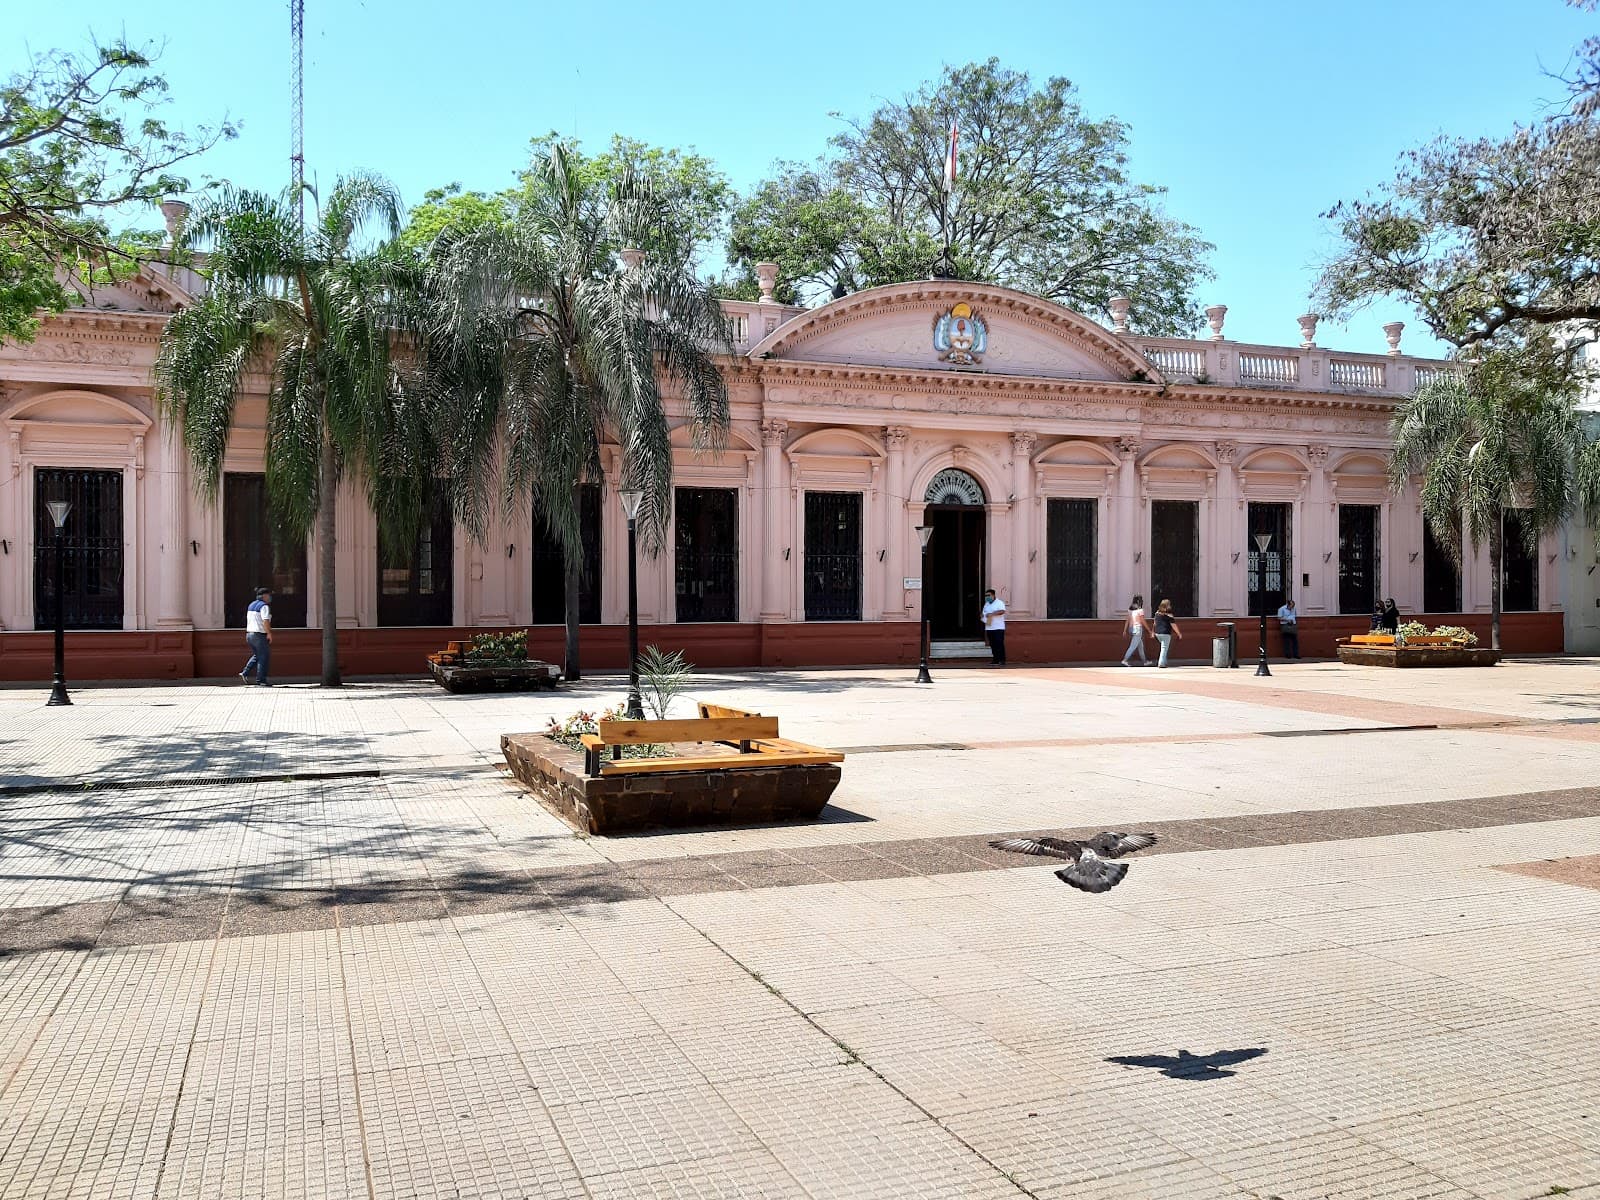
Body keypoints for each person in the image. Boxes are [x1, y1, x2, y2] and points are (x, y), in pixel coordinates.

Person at [241, 587, 273, 687]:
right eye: (269, 595)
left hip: (249, 634)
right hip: (259, 634)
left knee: (257, 655)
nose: (270, 597)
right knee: (263, 657)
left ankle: (245, 672)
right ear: (264, 596)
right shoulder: (264, 606)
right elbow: (265, 620)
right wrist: (269, 633)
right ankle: (261, 680)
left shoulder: (251, 605)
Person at [1152, 599, 1183, 668]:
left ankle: (1164, 662)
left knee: (1163, 648)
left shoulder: (1157, 613)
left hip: (1157, 634)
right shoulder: (1170, 616)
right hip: (1165, 633)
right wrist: (1179, 633)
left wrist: (1153, 632)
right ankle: (1161, 663)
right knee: (1164, 648)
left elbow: (1154, 623)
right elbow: (1173, 625)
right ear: (1168, 605)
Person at [981, 588, 1007, 666]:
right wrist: (983, 616)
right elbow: (984, 613)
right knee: (992, 644)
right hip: (989, 627)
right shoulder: (987, 604)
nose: (987, 597)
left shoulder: (999, 603)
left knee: (999, 643)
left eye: (988, 595)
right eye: (986, 596)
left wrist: (992, 614)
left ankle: (1002, 660)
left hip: (998, 627)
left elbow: (1002, 611)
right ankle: (995, 659)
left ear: (993, 595)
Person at [1121, 595, 1149, 666]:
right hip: (1138, 628)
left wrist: (1124, 630)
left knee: (1140, 646)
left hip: (1131, 628)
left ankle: (1145, 661)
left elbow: (1127, 620)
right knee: (1133, 646)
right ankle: (1125, 659)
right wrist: (1149, 630)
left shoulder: (1130, 610)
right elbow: (1142, 621)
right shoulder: (1140, 610)